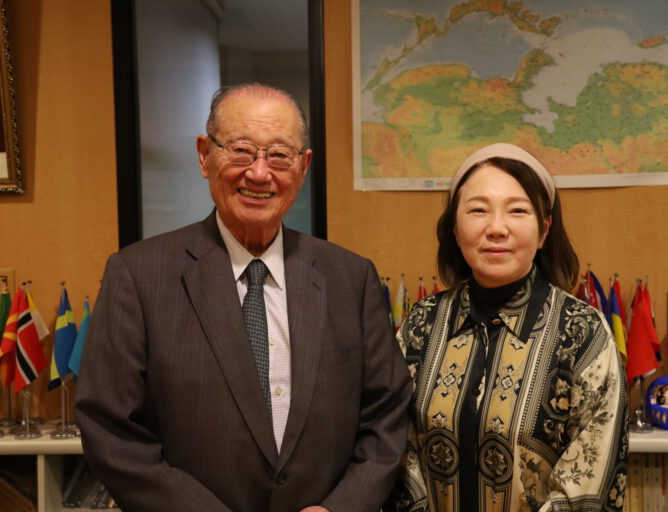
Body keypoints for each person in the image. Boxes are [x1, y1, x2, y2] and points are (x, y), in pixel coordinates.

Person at [75, 83, 411, 512]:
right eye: (241, 151)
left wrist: (340, 508)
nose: (259, 173)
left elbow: (386, 413)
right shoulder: (138, 275)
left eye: (279, 155)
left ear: (303, 167)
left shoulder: (350, 277)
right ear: (204, 155)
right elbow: (111, 430)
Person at [386, 144, 628, 512]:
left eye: (517, 211)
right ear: (455, 228)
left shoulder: (583, 333)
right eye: (478, 210)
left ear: (544, 229)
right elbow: (395, 446)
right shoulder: (422, 323)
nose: (497, 228)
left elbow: (591, 482)